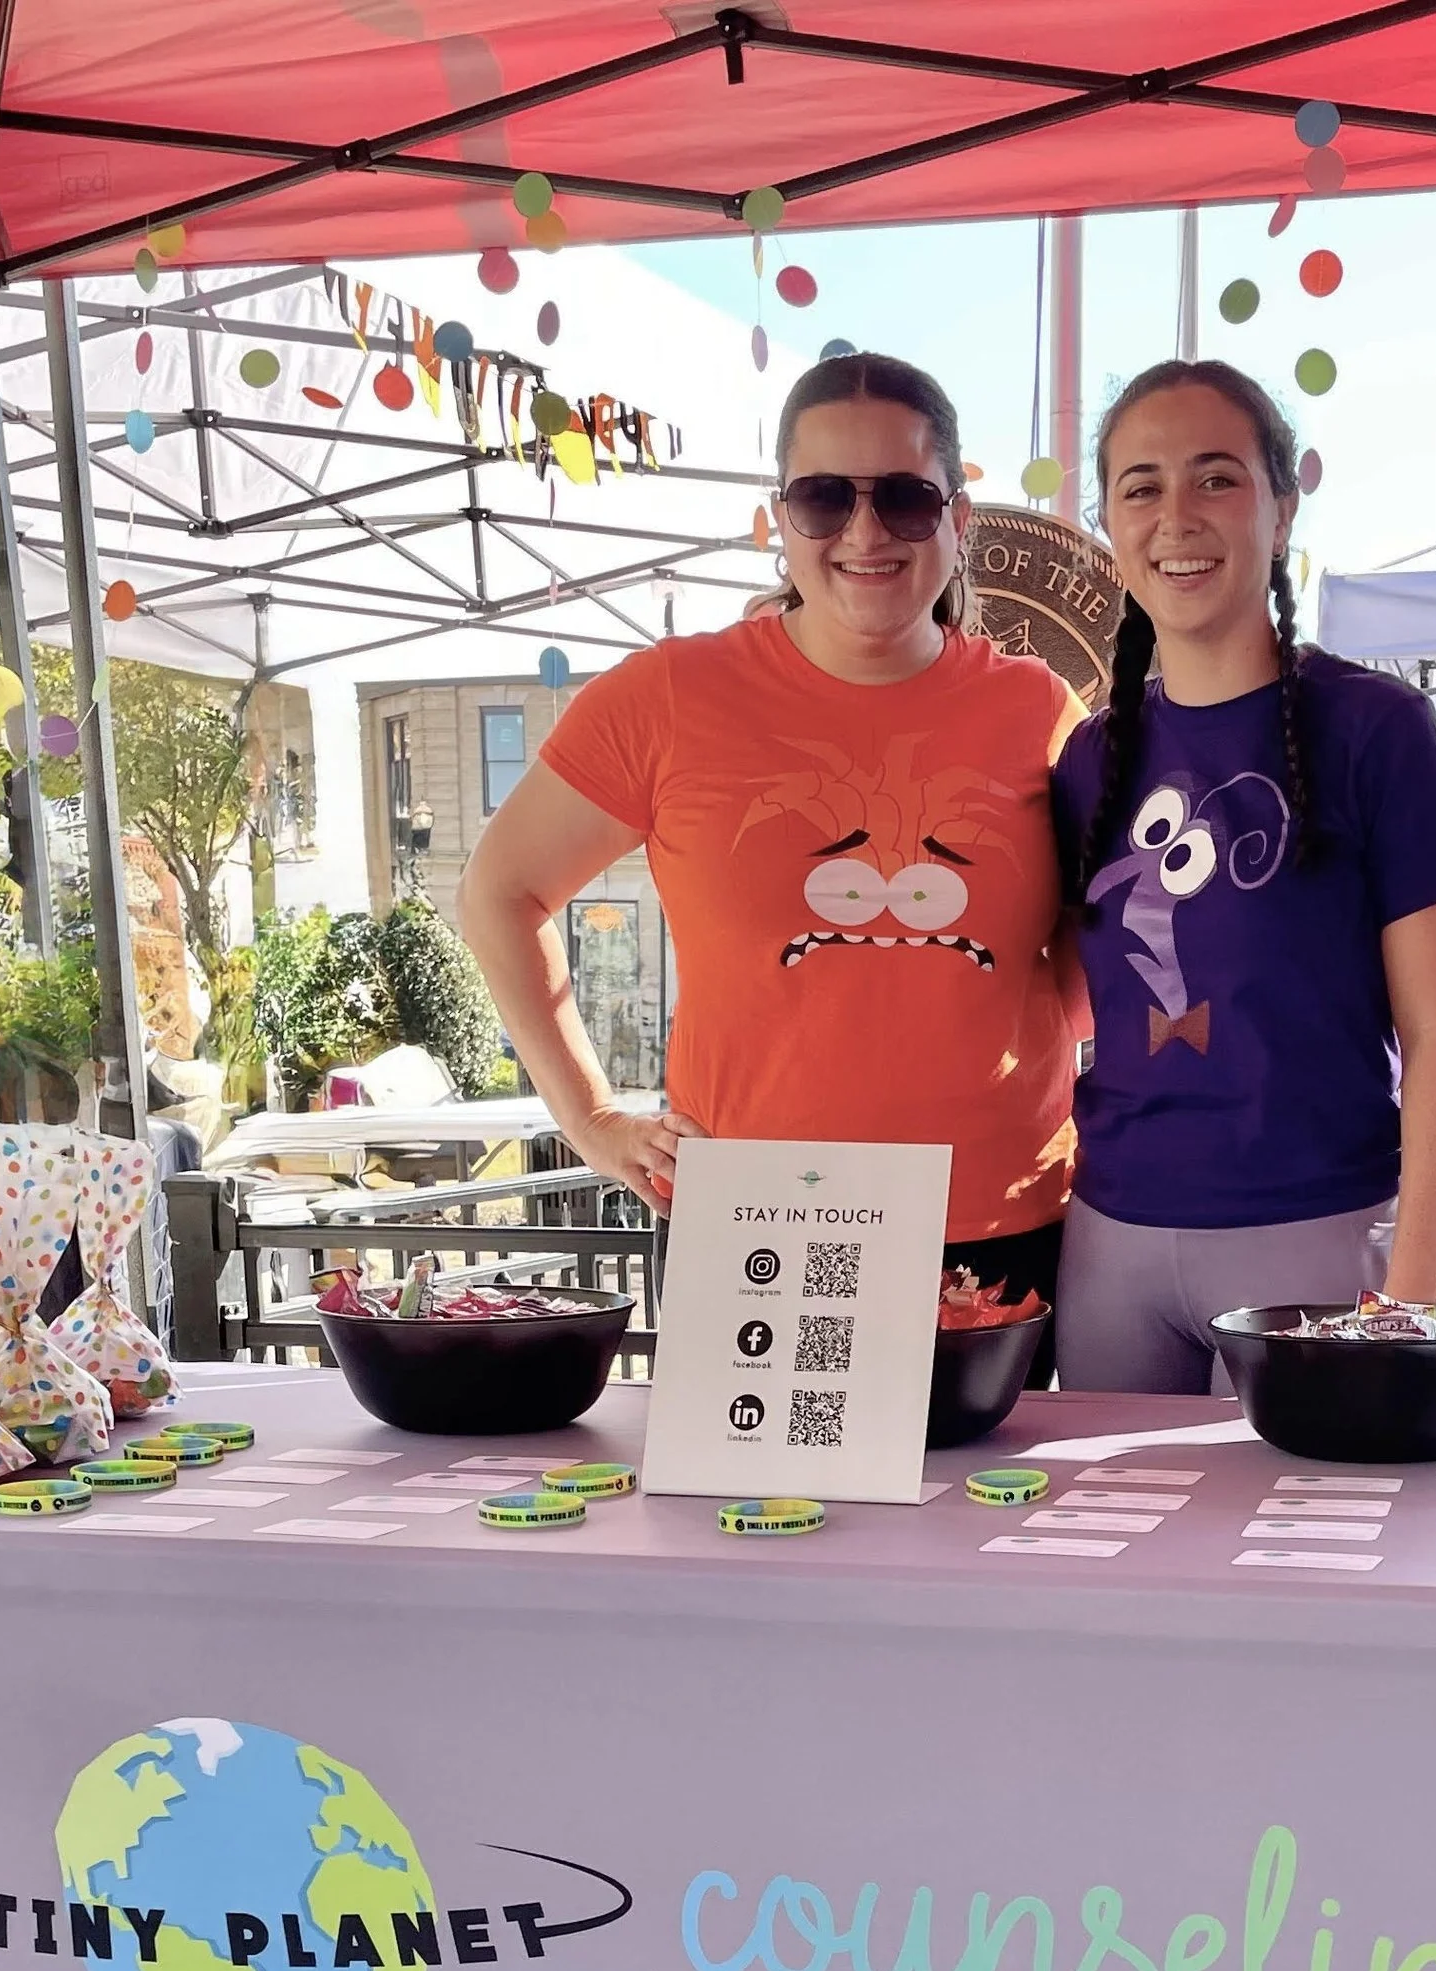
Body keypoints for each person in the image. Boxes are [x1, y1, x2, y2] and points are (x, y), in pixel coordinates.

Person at [457, 352, 1082, 1316]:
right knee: (760, 1479)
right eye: (826, 497)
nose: (866, 531)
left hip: (999, 1219)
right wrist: (591, 1120)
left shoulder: (1038, 711)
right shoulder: (668, 697)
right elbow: (499, 893)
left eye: (907, 498)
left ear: (959, 520)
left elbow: (1101, 948)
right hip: (756, 1219)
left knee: (997, 1479)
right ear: (781, 519)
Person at [1050, 359, 1436, 1393]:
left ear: (1282, 508)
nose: (1176, 517)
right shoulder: (1086, 760)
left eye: (1216, 478)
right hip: (1110, 1240)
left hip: (1320, 1241)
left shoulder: (1377, 730)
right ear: (1110, 527)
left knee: (1313, 1553)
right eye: (1141, 487)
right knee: (1097, 1554)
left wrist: (1412, 1300)